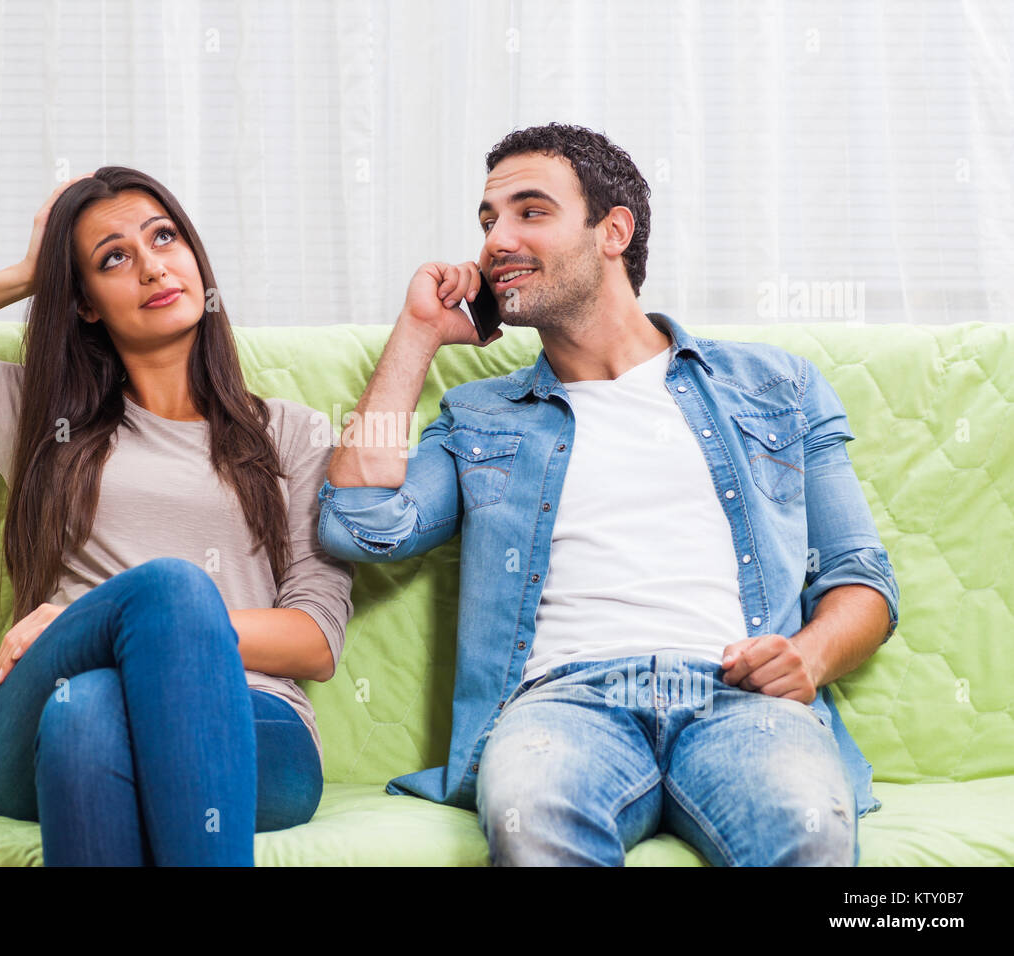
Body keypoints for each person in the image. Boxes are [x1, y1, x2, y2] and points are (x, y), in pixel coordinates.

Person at [316, 123, 899, 866]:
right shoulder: (481, 415)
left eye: (530, 211)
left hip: (742, 700)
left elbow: (862, 576)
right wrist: (419, 333)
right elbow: (359, 525)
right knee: (536, 831)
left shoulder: (774, 385)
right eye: (488, 219)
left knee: (809, 830)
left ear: (612, 231)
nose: (496, 240)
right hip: (561, 707)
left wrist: (810, 657)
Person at [0, 167, 353, 866]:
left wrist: (116, 623)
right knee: (136, 630)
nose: (152, 266)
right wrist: (27, 273)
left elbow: (316, 641)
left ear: (196, 256)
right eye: (114, 258)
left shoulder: (292, 433)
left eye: (164, 237)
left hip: (251, 723)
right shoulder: (38, 418)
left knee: (98, 702)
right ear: (84, 304)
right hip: (35, 713)